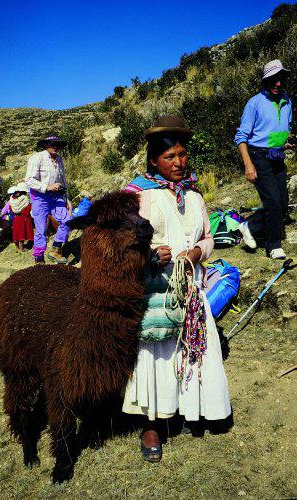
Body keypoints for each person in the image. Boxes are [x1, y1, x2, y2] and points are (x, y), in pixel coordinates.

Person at [124, 115, 231, 462]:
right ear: (154, 160)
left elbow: (207, 236)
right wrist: (150, 253)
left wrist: (200, 251)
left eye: (183, 155)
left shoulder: (195, 195)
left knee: (193, 349)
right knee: (158, 352)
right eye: (170, 157)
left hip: (192, 287)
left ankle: (190, 409)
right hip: (157, 291)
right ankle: (152, 425)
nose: (179, 163)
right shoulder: (138, 195)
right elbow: (121, 241)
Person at [234, 60, 295, 259]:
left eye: (281, 79)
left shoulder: (287, 101)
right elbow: (241, 137)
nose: (278, 84)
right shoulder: (254, 103)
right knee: (273, 201)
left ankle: (250, 225)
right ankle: (273, 245)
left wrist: (285, 144)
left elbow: (274, 133)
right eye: (274, 80)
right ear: (266, 80)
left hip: (277, 156)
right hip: (258, 157)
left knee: (283, 204)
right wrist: (248, 165)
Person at [25, 134, 72, 264]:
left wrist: (66, 198)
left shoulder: (59, 160)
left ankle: (56, 249)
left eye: (57, 145)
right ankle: (39, 258)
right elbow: (29, 179)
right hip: (40, 197)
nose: (55, 147)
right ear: (46, 145)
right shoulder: (37, 158)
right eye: (52, 144)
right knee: (41, 229)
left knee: (67, 220)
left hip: (57, 196)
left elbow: (62, 181)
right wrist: (47, 187)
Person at [9, 182, 34, 252]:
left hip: (16, 218)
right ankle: (21, 247)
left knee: (16, 232)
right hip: (23, 218)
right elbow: (28, 209)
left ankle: (17, 247)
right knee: (22, 232)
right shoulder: (25, 199)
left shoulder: (12, 199)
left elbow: (10, 209)